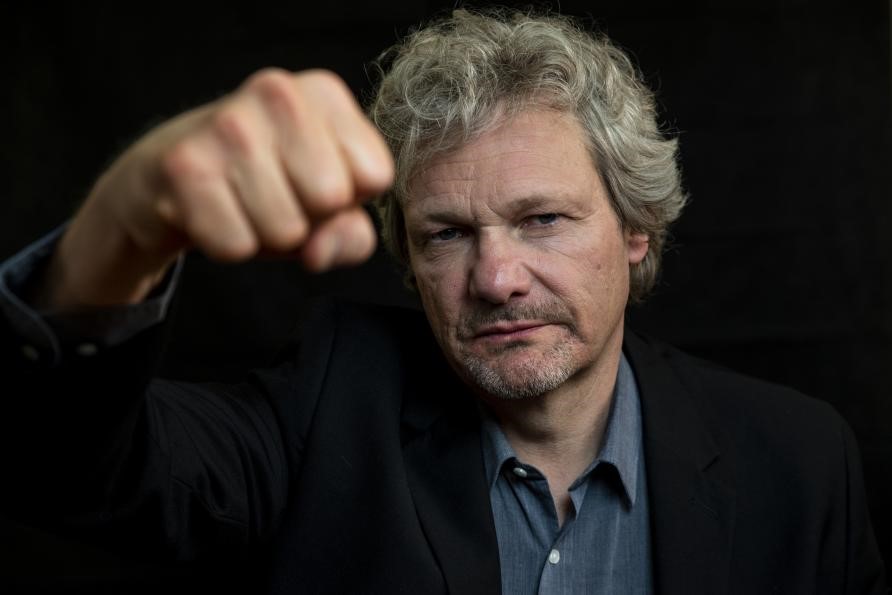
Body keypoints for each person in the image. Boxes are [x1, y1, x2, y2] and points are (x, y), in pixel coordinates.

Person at [0, 7, 886, 594]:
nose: (495, 278)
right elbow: (70, 466)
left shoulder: (801, 463)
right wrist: (127, 224)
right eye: (448, 234)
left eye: (541, 219)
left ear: (636, 230)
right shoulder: (326, 404)